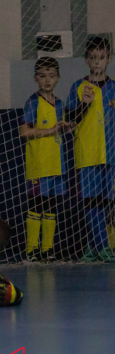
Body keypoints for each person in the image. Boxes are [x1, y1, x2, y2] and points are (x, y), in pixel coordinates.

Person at [65, 37, 115, 262]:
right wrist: (84, 104)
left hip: (111, 155)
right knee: (91, 200)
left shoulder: (114, 87)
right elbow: (70, 120)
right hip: (87, 154)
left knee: (107, 202)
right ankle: (102, 246)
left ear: (108, 59)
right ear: (86, 60)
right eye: (93, 58)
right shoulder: (78, 87)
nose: (97, 62)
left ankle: (92, 245)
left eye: (101, 58)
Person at [20, 57, 73, 262]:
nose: (47, 80)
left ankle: (47, 250)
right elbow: (24, 131)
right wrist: (50, 130)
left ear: (58, 77)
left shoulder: (60, 103)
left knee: (51, 208)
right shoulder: (33, 102)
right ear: (36, 79)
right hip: (39, 165)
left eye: (51, 76)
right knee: (37, 206)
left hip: (57, 165)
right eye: (43, 76)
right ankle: (31, 250)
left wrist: (68, 127)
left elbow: (59, 128)